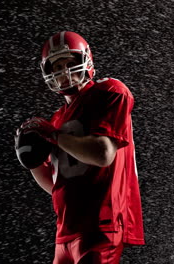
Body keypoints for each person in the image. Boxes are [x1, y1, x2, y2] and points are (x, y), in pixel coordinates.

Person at [16, 31, 144, 264]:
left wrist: (53, 135)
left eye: (70, 63)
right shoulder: (56, 118)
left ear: (86, 61)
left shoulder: (108, 91)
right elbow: (58, 185)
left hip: (100, 225)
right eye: (57, 66)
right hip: (64, 233)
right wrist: (32, 162)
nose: (64, 72)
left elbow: (103, 153)